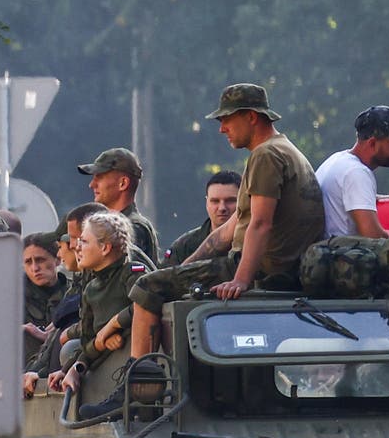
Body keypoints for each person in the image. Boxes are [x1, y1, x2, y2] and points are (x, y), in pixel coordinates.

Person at [124, 83, 324, 362]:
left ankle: (140, 381)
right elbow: (228, 231)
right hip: (277, 267)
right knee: (166, 280)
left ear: (251, 116)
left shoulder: (266, 155)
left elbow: (260, 224)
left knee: (147, 288)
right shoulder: (284, 150)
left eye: (227, 120)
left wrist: (241, 279)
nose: (222, 129)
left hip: (265, 272)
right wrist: (185, 268)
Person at [46, 211, 139, 397]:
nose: (77, 248)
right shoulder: (91, 289)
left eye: (84, 242)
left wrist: (113, 327)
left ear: (105, 248)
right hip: (103, 361)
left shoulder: (132, 274)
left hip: (127, 362)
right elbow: (87, 342)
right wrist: (69, 368)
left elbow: (145, 307)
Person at [317, 105, 389, 239]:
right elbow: (372, 235)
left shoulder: (338, 160)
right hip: (342, 257)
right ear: (372, 144)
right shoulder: (357, 173)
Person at [78, 147, 159, 268]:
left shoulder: (133, 228)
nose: (92, 185)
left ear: (123, 183)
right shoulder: (116, 226)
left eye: (99, 177)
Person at [164, 171, 240, 266]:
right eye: (215, 201)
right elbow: (165, 278)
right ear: (207, 203)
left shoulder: (255, 243)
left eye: (230, 201)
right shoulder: (184, 246)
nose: (222, 208)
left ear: (244, 202)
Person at [20, 232, 64, 364]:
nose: (35, 268)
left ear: (57, 259)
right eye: (28, 262)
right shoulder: (15, 296)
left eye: (40, 260)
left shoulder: (73, 293)